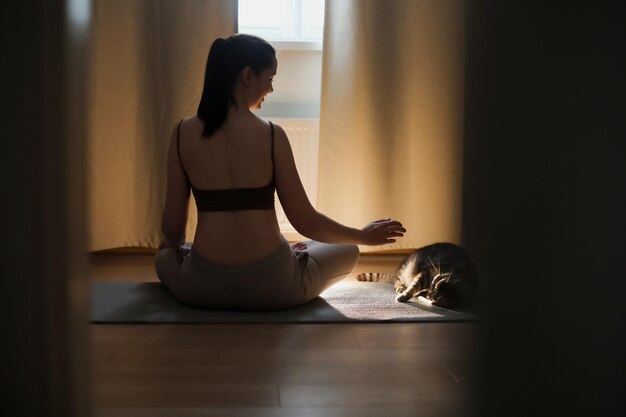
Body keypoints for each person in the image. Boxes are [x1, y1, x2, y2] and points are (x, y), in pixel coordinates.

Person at [155, 34, 406, 310]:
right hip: (274, 287)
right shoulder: (272, 135)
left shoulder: (182, 133)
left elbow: (173, 233)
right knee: (348, 249)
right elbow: (306, 222)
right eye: (270, 79)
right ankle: (289, 253)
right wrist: (362, 235)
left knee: (165, 257)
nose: (271, 89)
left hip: (202, 289)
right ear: (248, 75)